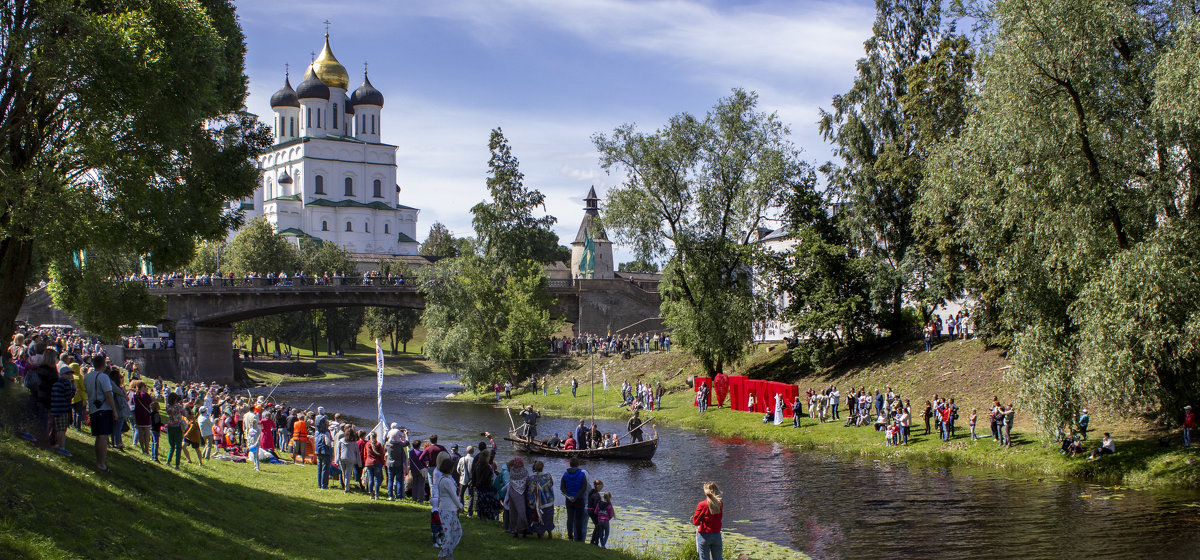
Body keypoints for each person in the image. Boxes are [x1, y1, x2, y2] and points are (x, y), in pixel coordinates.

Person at [437, 453, 464, 559]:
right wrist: (460, 506)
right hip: (447, 509)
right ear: (450, 469)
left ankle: (448, 553)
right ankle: (443, 554)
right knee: (449, 535)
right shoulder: (447, 481)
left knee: (457, 532)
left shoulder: (444, 479)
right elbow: (454, 496)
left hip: (450, 509)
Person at [49, 361, 76, 456]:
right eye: (68, 374)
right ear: (63, 374)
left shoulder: (56, 382)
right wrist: (73, 388)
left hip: (55, 408)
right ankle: (62, 447)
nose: (70, 376)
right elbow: (69, 395)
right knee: (62, 429)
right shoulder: (65, 383)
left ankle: (54, 443)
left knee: (57, 428)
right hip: (63, 408)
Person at [692, 481, 723, 560]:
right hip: (717, 535)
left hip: (704, 535)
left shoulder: (702, 504)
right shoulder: (720, 503)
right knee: (718, 558)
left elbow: (695, 522)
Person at [561, 457, 588, 542]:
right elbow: (583, 488)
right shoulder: (582, 474)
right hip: (579, 499)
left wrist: (569, 496)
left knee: (570, 518)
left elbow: (562, 488)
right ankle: (579, 538)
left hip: (569, 500)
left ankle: (570, 536)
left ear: (570, 464)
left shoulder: (565, 474)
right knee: (578, 519)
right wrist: (576, 497)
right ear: (578, 464)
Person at [529, 460, 555, 539]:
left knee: (538, 517)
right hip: (548, 500)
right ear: (543, 467)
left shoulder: (531, 478)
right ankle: (550, 533)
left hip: (537, 502)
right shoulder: (548, 476)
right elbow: (551, 485)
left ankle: (539, 534)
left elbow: (530, 491)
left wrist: (530, 501)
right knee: (548, 517)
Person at [504, 457, 530, 536]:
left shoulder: (511, 471)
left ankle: (515, 529)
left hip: (512, 491)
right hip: (522, 492)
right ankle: (522, 529)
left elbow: (511, 481)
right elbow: (527, 481)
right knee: (522, 511)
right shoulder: (525, 471)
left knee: (514, 512)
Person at [164, 392, 185, 469]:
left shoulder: (167, 407)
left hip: (170, 426)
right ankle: (177, 464)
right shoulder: (178, 407)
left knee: (172, 446)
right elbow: (185, 413)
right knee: (178, 446)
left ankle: (168, 461)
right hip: (177, 427)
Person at [364, 432, 385, 500]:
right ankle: (377, 494)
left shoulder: (367, 444)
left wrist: (365, 462)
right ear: (376, 437)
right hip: (377, 463)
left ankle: (371, 494)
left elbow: (365, 454)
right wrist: (383, 462)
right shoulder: (378, 444)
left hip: (368, 463)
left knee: (370, 479)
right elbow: (382, 455)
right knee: (377, 479)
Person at [587, 479, 605, 545]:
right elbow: (596, 505)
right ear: (598, 486)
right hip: (593, 511)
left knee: (597, 526)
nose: (602, 488)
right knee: (598, 526)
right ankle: (595, 542)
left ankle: (593, 541)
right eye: (601, 486)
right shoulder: (596, 495)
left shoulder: (591, 492)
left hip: (589, 510)